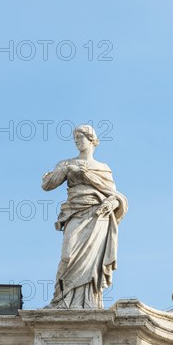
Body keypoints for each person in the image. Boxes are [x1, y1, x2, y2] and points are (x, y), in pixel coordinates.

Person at [42, 125, 127, 309]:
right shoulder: (66, 163)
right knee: (68, 255)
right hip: (75, 212)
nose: (77, 141)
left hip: (98, 215)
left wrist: (114, 203)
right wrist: (65, 171)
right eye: (75, 139)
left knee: (92, 262)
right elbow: (47, 185)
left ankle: (89, 301)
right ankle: (61, 299)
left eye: (80, 138)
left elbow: (114, 195)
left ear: (91, 140)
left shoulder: (103, 168)